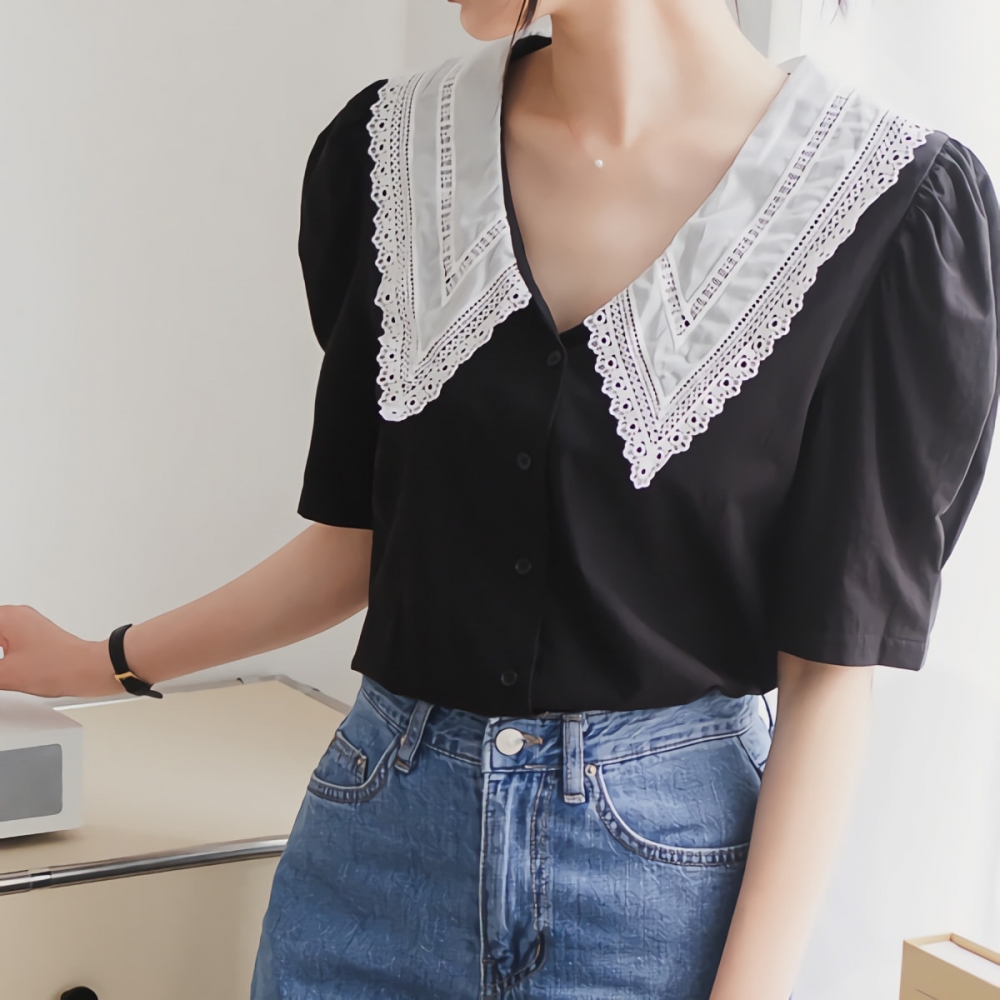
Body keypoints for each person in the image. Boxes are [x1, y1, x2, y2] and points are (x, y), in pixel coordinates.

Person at [1, 0, 998, 996]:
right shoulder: (393, 152)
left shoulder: (890, 207)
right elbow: (367, 545)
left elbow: (829, 671)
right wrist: (102, 661)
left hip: (659, 891)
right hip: (376, 845)